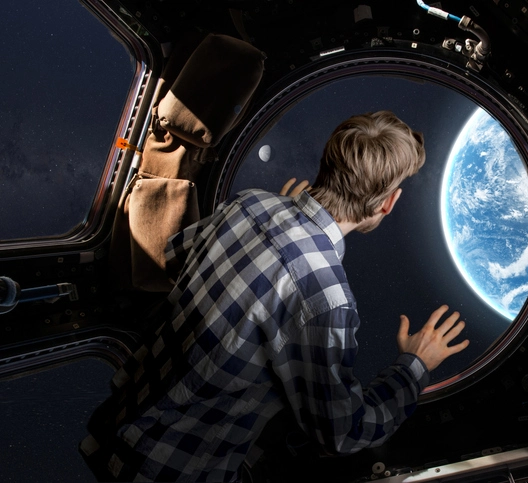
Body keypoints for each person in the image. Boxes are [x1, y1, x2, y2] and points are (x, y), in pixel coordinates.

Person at [80, 110, 469, 482]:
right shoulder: (326, 299)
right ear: (388, 202)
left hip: (115, 430)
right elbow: (341, 433)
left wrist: (278, 211)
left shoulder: (249, 203)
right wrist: (415, 365)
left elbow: (173, 258)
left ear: (327, 165)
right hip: (172, 470)